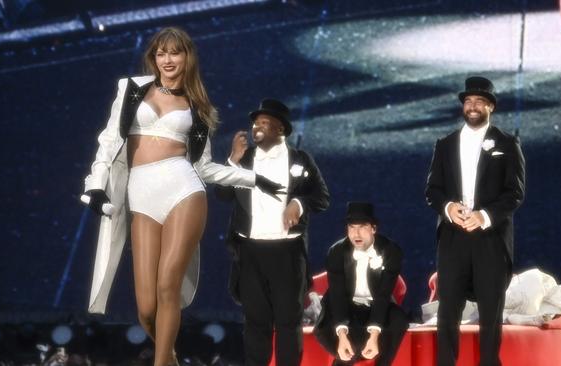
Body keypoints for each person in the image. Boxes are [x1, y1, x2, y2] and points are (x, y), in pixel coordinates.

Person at [82, 27, 281, 366]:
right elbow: (108, 141)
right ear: (154, 58)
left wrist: (254, 178)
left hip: (183, 191)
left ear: (187, 57)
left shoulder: (197, 107)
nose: (168, 59)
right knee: (146, 308)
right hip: (141, 198)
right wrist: (95, 184)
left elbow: (204, 168)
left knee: (167, 288)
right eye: (161, 53)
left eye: (175, 52)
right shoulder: (130, 90)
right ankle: (170, 358)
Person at [215, 98, 330, 366]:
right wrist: (232, 161)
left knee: (288, 322)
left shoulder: (300, 160)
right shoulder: (244, 160)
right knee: (256, 322)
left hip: (287, 253)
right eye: (256, 122)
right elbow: (222, 194)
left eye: (265, 123)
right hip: (251, 251)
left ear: (281, 129)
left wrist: (299, 203)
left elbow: (322, 197)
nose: (257, 127)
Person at [425, 76, 526, 366]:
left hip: (490, 240)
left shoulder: (507, 143)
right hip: (453, 239)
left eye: (479, 101)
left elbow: (515, 193)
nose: (472, 106)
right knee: (447, 315)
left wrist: (484, 216)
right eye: (468, 101)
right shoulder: (444, 145)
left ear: (490, 107)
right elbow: (432, 190)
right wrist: (448, 208)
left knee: (491, 315)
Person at [314, 202, 409, 366]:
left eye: (362, 227)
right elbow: (338, 296)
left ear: (373, 228)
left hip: (376, 305)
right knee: (350, 346)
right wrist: (341, 334)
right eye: (351, 227)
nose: (356, 233)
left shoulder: (391, 251)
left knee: (398, 319)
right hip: (344, 306)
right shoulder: (337, 252)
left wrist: (374, 335)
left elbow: (383, 295)